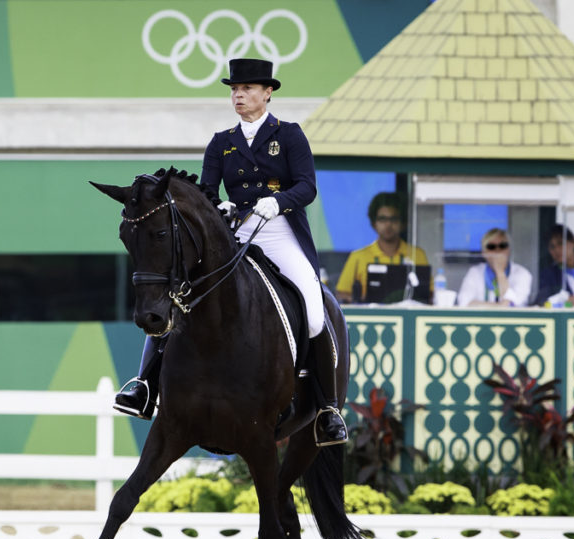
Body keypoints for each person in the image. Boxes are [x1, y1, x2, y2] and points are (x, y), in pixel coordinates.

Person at [114, 57, 347, 446]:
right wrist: (217, 207)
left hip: (279, 229)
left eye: (248, 89)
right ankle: (144, 385)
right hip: (236, 230)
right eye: (235, 90)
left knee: (311, 303)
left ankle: (326, 408)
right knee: (179, 295)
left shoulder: (288, 135)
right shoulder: (222, 143)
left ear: (267, 92)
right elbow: (207, 191)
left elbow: (308, 186)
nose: (239, 95)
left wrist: (280, 201)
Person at [335, 192, 429, 303]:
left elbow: (429, 294)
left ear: (403, 223)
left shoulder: (417, 254)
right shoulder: (358, 257)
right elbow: (341, 294)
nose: (388, 224)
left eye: (394, 219)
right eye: (382, 219)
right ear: (374, 223)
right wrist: (364, 300)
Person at [457, 228, 533, 307]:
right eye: (491, 247)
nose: (497, 250)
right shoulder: (475, 272)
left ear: (509, 250)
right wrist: (500, 306)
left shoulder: (522, 273)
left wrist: (500, 272)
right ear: (484, 253)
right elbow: (464, 303)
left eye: (502, 246)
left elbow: (513, 305)